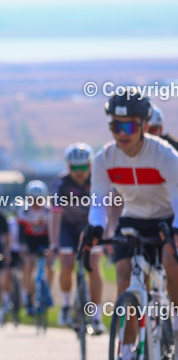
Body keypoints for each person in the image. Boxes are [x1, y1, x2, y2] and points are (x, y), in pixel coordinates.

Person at [84, 89, 178, 360]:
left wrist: (174, 233)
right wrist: (95, 229)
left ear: (144, 124)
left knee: (170, 263)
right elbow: (98, 201)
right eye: (116, 126)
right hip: (133, 217)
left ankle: (174, 327)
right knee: (125, 278)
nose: (122, 134)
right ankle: (125, 359)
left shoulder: (164, 155)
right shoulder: (104, 158)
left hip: (167, 216)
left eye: (129, 126)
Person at [49, 143, 105, 333]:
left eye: (84, 167)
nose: (80, 172)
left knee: (94, 266)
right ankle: (65, 306)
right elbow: (55, 214)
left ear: (91, 165)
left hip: (90, 228)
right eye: (75, 167)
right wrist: (53, 242)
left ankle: (96, 317)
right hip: (68, 228)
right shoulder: (62, 184)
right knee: (66, 263)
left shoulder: (98, 181)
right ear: (68, 166)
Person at [17, 180, 54, 315]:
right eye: (33, 199)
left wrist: (52, 248)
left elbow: (52, 230)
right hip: (30, 240)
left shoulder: (49, 210)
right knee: (28, 266)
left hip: (45, 239)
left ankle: (47, 292)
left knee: (50, 266)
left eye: (39, 199)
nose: (36, 202)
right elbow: (21, 232)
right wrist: (23, 247)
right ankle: (28, 297)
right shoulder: (24, 211)